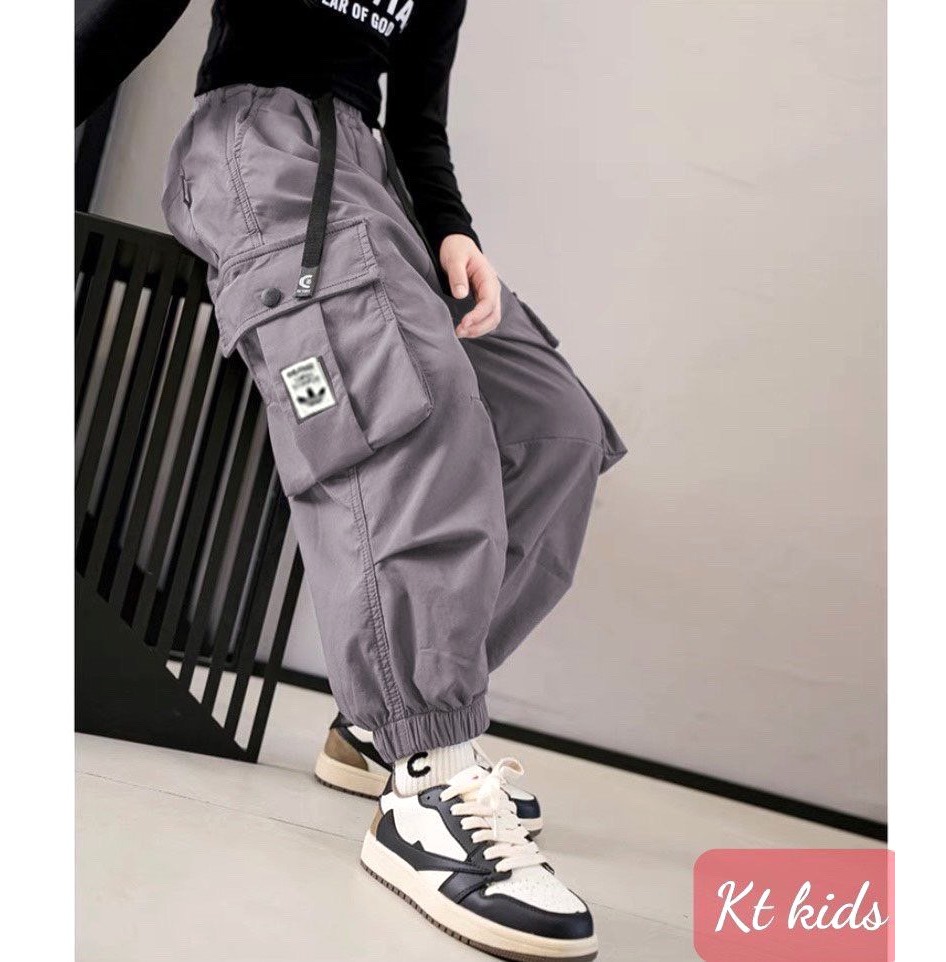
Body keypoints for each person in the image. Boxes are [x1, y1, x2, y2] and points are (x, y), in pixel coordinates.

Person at [77, 2, 626, 959]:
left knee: (555, 431)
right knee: (412, 402)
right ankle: (428, 783)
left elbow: (417, 115)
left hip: (376, 179)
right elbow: (118, 22)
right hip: (261, 150)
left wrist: (452, 230)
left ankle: (381, 732)